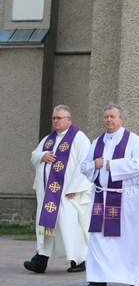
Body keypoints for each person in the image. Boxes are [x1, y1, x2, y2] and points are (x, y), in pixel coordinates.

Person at [80, 103, 139, 286]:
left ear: (121, 119)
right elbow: (84, 167)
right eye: (106, 116)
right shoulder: (97, 142)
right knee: (99, 239)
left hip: (126, 199)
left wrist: (113, 166)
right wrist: (95, 164)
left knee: (130, 240)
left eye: (112, 116)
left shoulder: (133, 140)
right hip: (102, 197)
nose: (109, 120)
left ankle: (135, 279)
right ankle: (98, 280)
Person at [24, 105, 91, 274]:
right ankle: (40, 260)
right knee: (47, 226)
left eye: (59, 118)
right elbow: (34, 155)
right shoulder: (48, 139)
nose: (55, 121)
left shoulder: (79, 138)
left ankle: (79, 260)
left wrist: (75, 187)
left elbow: (86, 164)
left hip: (68, 193)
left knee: (70, 226)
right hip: (49, 195)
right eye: (54, 118)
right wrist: (42, 156)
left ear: (69, 119)